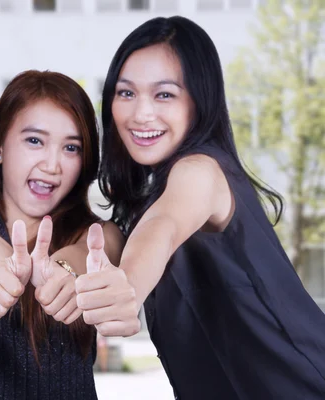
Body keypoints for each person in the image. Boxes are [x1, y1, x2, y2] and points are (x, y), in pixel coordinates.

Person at [76, 16, 325, 399]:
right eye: (126, 93)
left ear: (199, 100)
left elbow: (166, 225)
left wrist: (128, 284)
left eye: (164, 95)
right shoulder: (151, 192)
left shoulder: (199, 171)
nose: (141, 114)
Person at [0, 70, 124, 399]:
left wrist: (64, 271)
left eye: (71, 148)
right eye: (35, 140)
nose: (52, 164)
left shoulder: (100, 236)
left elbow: (85, 253)